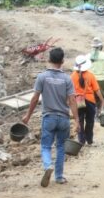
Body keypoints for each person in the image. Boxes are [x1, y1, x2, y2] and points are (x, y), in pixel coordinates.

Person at [22, 47, 80, 187]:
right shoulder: (67, 78)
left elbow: (35, 99)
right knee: (60, 147)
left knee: (45, 146)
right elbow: (72, 100)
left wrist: (28, 116)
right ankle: (59, 177)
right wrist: (77, 120)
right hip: (64, 118)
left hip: (48, 117)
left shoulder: (42, 77)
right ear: (62, 61)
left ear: (49, 59)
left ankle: (48, 165)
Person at [71, 55, 104, 146]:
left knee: (80, 120)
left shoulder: (72, 76)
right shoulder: (90, 75)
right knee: (90, 121)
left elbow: (70, 92)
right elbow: (97, 90)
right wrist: (102, 100)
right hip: (90, 101)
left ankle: (81, 140)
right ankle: (89, 139)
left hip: (78, 101)